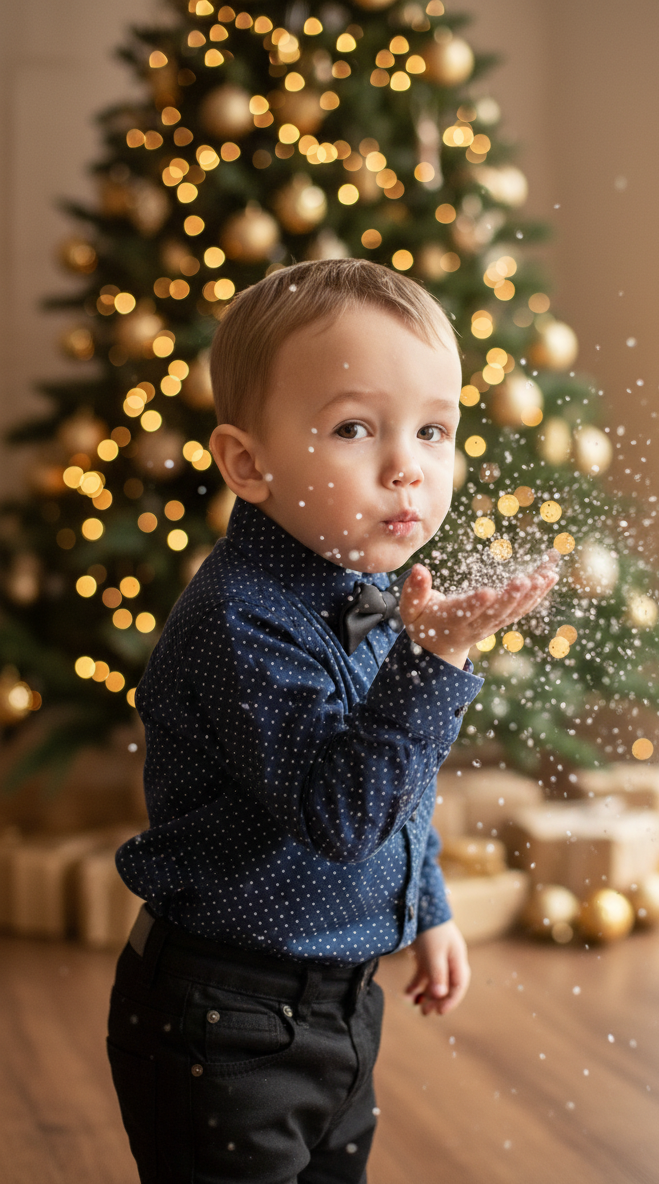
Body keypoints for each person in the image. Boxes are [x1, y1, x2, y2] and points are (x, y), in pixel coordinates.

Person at [108, 258, 559, 1183]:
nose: (408, 467)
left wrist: (427, 906)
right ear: (247, 463)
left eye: (434, 430)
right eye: (356, 428)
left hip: (339, 1006)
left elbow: (395, 782)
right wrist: (432, 664)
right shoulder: (241, 623)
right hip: (221, 1017)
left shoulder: (367, 587)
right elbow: (341, 815)